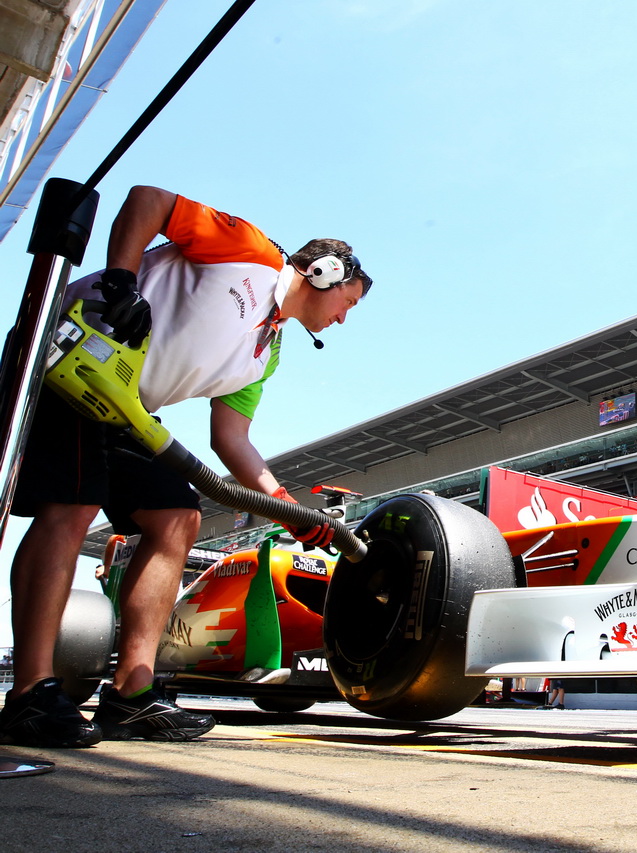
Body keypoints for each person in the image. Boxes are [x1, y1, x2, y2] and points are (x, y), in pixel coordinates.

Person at [0, 186, 371, 749]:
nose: (345, 319)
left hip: (129, 408)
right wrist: (121, 280)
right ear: (324, 271)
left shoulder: (265, 355)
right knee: (72, 507)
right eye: (350, 300)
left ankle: (130, 695)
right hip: (73, 357)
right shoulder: (249, 251)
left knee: (177, 517)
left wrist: (292, 512)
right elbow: (147, 202)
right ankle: (28, 694)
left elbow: (232, 442)